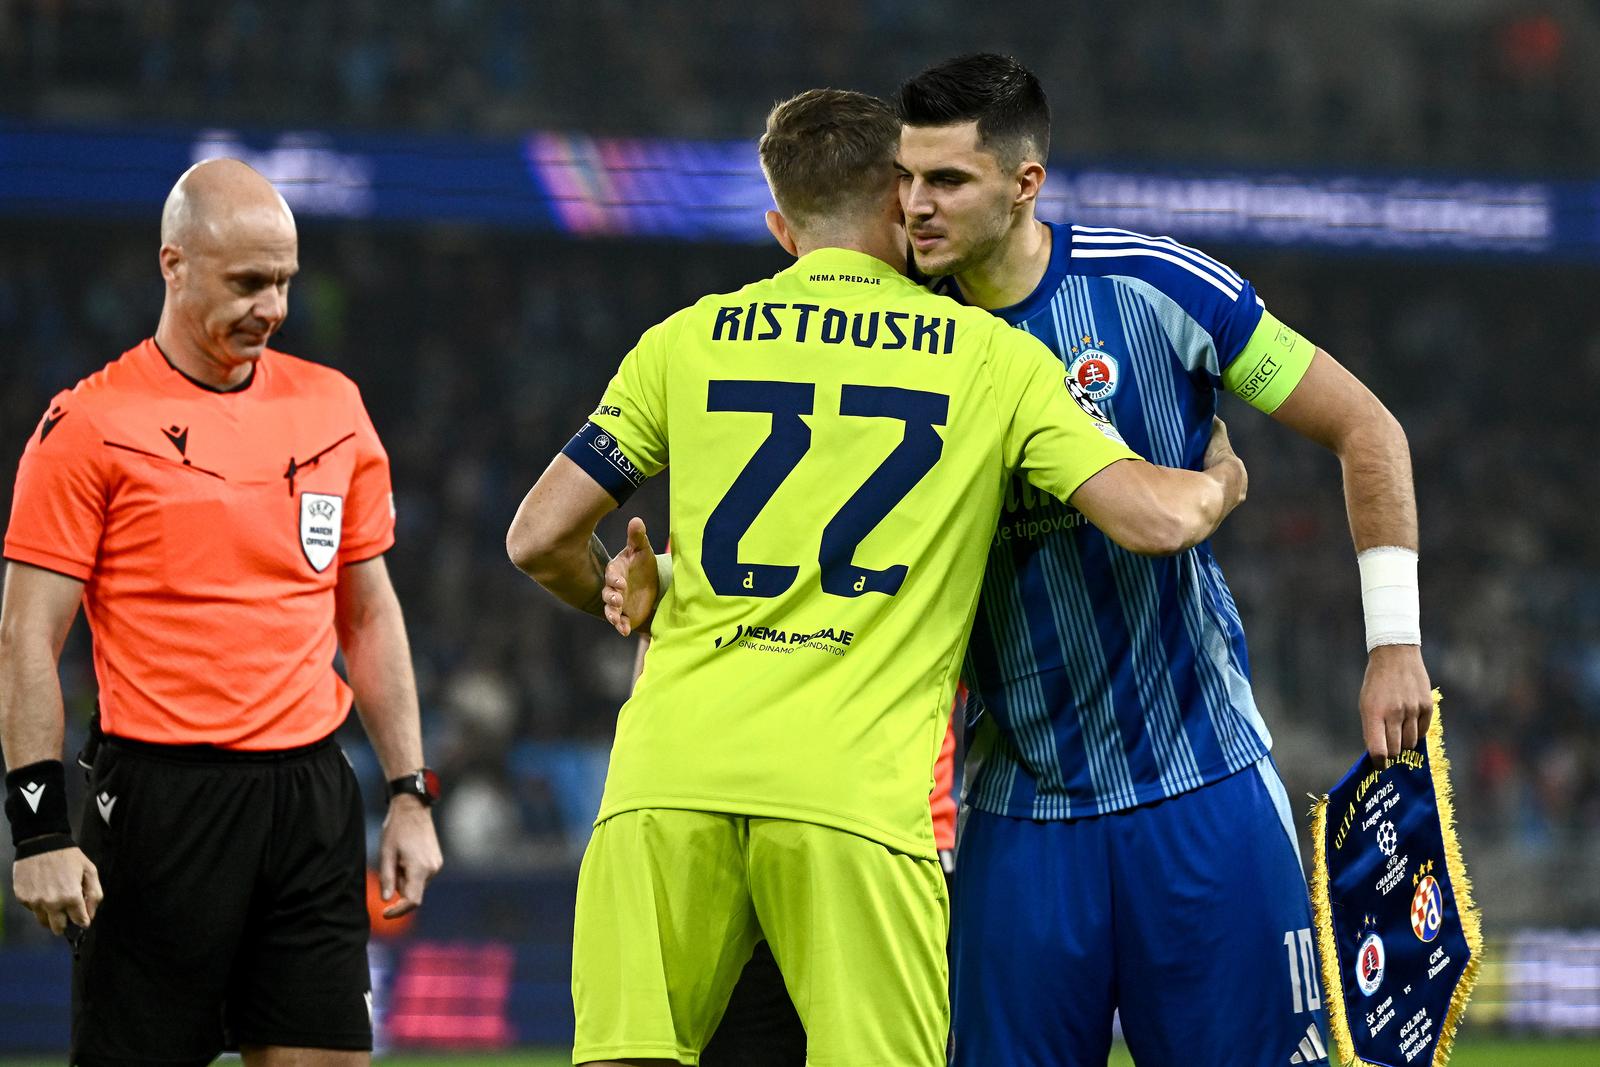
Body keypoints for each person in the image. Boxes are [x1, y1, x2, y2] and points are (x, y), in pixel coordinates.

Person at [506, 87, 1246, 1066]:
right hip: (851, 799)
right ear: (900, 201)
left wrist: (631, 601)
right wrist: (1220, 476)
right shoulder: (988, 356)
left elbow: (537, 536)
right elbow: (1154, 520)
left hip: (663, 783)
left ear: (780, 223)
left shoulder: (684, 340)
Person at [892, 54, 1433, 1066]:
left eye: (947, 180)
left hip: (1201, 790)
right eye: (906, 178)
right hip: (1019, 816)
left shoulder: (1155, 285)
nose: (916, 206)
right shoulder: (897, 338)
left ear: (1023, 184)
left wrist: (1393, 642)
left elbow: (1367, 428)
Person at [0, 159, 443, 1067]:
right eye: (247, 282)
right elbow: (25, 638)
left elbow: (369, 613)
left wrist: (409, 794)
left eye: (282, 280)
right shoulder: (88, 424)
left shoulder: (335, 408)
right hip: (164, 805)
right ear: (173, 265)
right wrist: (39, 828)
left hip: (311, 798)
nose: (271, 306)